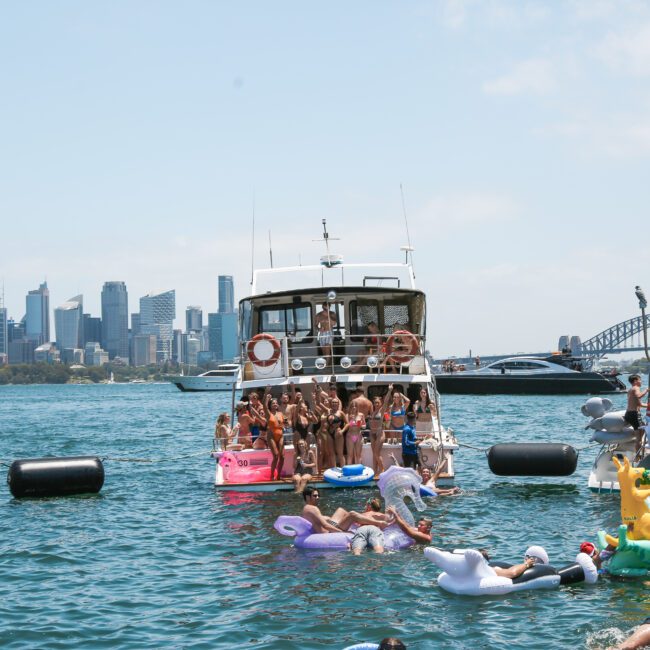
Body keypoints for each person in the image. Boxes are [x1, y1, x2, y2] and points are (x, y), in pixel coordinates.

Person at [301, 487, 390, 533]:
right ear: (308, 497)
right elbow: (326, 526)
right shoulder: (313, 508)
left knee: (341, 510)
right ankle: (378, 523)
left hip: (331, 526)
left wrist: (328, 519)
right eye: (315, 496)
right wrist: (343, 532)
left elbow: (321, 521)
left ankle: (355, 521)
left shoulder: (306, 508)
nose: (318, 498)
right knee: (352, 514)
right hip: (328, 532)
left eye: (318, 495)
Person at [263, 391, 286, 480]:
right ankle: (272, 475)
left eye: (276, 403)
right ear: (270, 405)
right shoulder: (268, 413)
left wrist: (285, 424)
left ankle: (279, 475)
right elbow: (264, 406)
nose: (275, 404)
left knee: (282, 456)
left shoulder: (280, 414)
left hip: (280, 435)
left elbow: (283, 425)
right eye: (273, 403)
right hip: (271, 435)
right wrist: (266, 396)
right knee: (276, 456)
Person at [625, 374, 648, 454]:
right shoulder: (636, 388)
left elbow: (639, 404)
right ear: (635, 381)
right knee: (639, 437)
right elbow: (639, 396)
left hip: (629, 414)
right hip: (634, 414)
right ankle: (637, 456)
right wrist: (646, 390)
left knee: (644, 427)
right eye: (640, 380)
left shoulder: (631, 390)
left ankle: (639, 446)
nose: (641, 382)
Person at [369, 396, 387, 476]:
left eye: (378, 402)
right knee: (374, 454)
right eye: (375, 402)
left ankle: (382, 469)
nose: (376, 404)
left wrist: (389, 391)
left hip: (379, 433)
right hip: (372, 433)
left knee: (376, 453)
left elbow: (386, 401)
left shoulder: (382, 411)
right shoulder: (373, 412)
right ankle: (375, 471)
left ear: (381, 403)